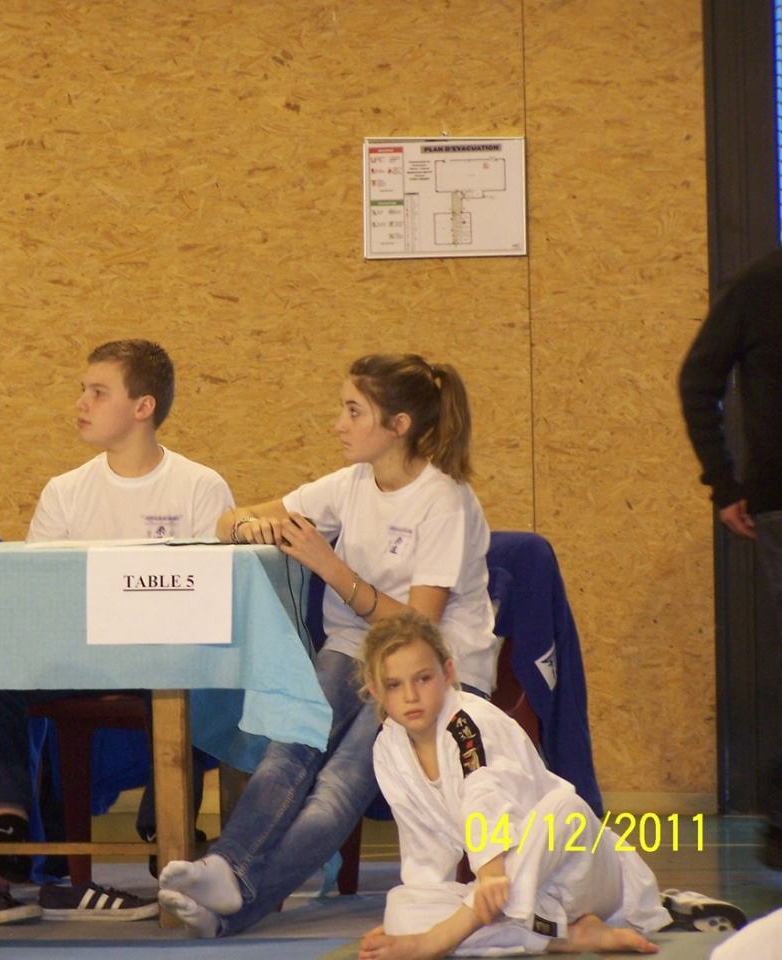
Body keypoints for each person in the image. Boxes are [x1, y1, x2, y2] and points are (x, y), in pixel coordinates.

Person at [160, 353, 498, 938]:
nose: (338, 424)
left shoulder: (444, 499)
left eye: (353, 411)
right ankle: (227, 869)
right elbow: (227, 520)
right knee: (289, 744)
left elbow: (419, 629)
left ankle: (237, 900)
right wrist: (249, 527)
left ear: (397, 425)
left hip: (428, 667)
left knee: (339, 781)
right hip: (354, 648)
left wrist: (332, 568)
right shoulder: (349, 484)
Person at [0, 339, 233, 924]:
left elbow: (209, 598)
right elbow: (39, 597)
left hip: (164, 656)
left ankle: (167, 829)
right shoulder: (66, 490)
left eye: (98, 392)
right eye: (82, 390)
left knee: (193, 672)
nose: (81, 402)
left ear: (142, 407)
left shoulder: (199, 487)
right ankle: (9, 827)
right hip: (80, 656)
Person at [355, 609, 673, 958]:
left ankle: (445, 936)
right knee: (401, 911)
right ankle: (565, 936)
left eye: (422, 679)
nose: (411, 696)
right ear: (376, 690)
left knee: (565, 809)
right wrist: (420, 916)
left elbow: (482, 793)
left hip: (579, 873)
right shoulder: (389, 749)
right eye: (394, 685)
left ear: (447, 673)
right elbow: (424, 852)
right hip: (516, 895)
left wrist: (486, 878)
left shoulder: (468, 724)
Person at [678, 249, 782, 869]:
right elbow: (698, 383)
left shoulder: (758, 282)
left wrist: (725, 482)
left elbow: (698, 383)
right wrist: (722, 479)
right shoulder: (760, 284)